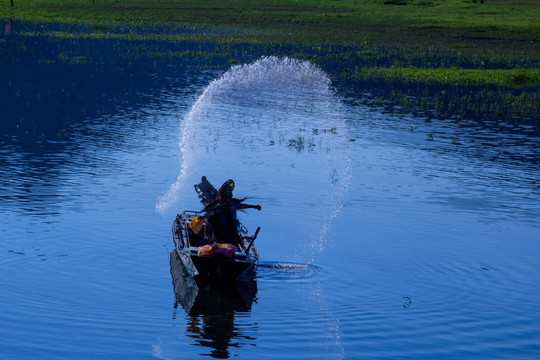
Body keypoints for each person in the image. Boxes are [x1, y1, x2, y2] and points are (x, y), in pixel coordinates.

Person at [202, 179, 261, 248]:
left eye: (229, 192)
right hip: (221, 231)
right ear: (223, 193)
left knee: (234, 244)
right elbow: (212, 212)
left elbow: (242, 206)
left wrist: (254, 206)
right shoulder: (220, 205)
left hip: (231, 231)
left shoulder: (233, 204)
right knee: (221, 244)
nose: (228, 193)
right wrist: (203, 217)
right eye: (226, 192)